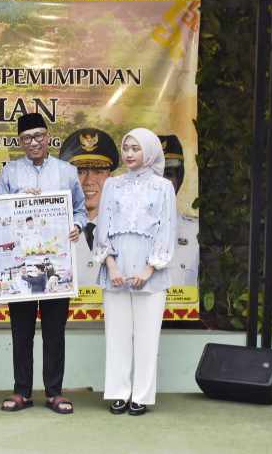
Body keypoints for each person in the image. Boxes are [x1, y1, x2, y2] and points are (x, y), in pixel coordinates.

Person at [0, 112, 88, 415]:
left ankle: (54, 393)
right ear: (20, 142)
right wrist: (18, 199)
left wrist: (77, 225)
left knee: (54, 330)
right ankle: (22, 391)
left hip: (56, 264)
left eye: (38, 136)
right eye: (26, 138)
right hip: (22, 263)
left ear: (48, 137)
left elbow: (81, 210)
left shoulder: (67, 172)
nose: (33, 142)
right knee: (21, 331)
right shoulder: (10, 172)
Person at [93, 128, 177, 416]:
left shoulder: (163, 187)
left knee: (147, 337)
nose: (128, 154)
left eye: (135, 148)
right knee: (116, 334)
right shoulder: (112, 185)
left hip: (150, 272)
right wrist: (111, 265)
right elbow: (102, 228)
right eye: (126, 148)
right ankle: (118, 392)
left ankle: (141, 395)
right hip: (116, 269)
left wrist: (149, 269)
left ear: (149, 152)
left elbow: (167, 229)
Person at [59, 128, 119, 288]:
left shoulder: (125, 227)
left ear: (110, 178)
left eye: (98, 171)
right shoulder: (52, 228)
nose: (89, 181)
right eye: (80, 171)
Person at [158, 135, 199, 287]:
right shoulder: (123, 234)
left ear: (179, 179)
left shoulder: (195, 232)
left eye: (168, 174)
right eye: (154, 175)